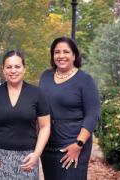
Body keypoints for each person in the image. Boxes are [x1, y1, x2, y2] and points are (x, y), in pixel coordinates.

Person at [0, 50, 51, 180]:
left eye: (17, 66)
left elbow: (45, 126)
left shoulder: (37, 94)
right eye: (9, 67)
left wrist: (36, 154)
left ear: (24, 69)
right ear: (4, 70)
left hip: (27, 160)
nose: (13, 70)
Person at [39, 36, 100, 180]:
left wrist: (78, 144)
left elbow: (92, 115)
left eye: (66, 52)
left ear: (74, 55)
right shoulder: (46, 76)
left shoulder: (85, 80)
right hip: (48, 143)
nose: (61, 56)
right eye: (57, 52)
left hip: (72, 144)